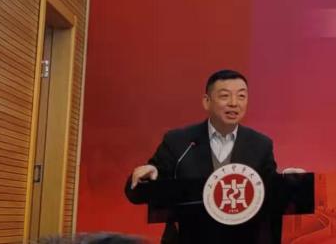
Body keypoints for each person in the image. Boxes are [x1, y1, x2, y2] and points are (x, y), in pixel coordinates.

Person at [124, 69, 303, 243]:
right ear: (207, 102)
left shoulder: (260, 144)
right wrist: (146, 178)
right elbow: (137, 193)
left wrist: (287, 180)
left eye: (241, 96)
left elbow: (267, 190)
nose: (234, 103)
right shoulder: (179, 141)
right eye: (225, 96)